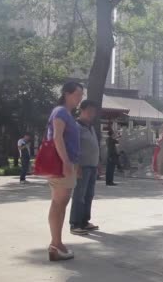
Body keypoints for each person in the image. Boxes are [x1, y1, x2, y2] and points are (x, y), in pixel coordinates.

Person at [47, 81, 83, 262]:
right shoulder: (60, 111)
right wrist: (66, 162)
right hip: (61, 164)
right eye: (77, 94)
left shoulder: (67, 113)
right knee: (58, 203)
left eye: (81, 95)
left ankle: (57, 243)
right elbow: (57, 137)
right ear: (67, 94)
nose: (79, 98)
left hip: (66, 163)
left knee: (61, 203)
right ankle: (55, 244)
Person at [69, 100, 101, 236]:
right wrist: (77, 166)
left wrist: (98, 163)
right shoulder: (76, 126)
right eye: (88, 110)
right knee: (79, 195)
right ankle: (75, 224)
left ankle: (84, 221)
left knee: (89, 195)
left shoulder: (91, 127)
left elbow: (94, 147)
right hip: (82, 166)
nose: (91, 113)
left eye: (93, 111)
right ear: (81, 110)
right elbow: (74, 148)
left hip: (92, 166)